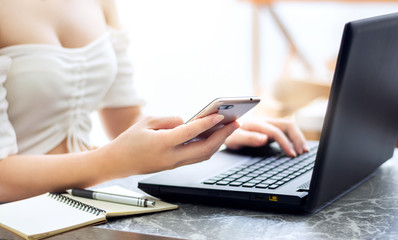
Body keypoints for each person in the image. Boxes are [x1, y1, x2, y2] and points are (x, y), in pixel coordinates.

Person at [0, 0, 308, 203]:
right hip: (18, 214)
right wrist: (113, 162)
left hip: (86, 200)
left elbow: (126, 122)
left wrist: (210, 131)